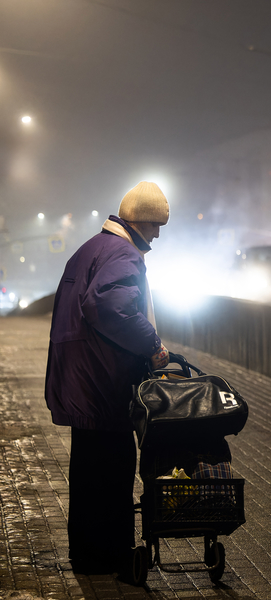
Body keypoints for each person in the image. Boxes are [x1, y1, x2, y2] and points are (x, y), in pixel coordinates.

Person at [44, 181, 171, 575]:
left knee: (87, 473)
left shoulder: (92, 247)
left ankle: (87, 556)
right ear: (140, 222)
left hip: (80, 376)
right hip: (102, 382)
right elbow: (109, 307)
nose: (157, 235)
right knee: (114, 471)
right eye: (155, 226)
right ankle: (113, 556)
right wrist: (152, 345)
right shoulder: (122, 253)